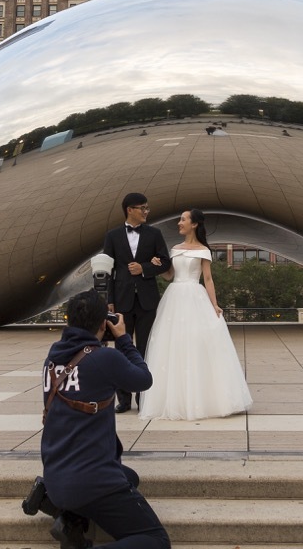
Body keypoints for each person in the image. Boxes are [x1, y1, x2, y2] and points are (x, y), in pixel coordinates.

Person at [37, 290, 170, 549]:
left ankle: (69, 519)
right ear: (103, 323)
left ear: (69, 322)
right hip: (92, 481)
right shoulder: (103, 358)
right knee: (156, 541)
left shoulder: (53, 358)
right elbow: (144, 379)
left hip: (56, 475)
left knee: (129, 476)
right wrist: (122, 339)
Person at [138, 209, 253, 421]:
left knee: (196, 344)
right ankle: (176, 400)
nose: (179, 223)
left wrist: (215, 304)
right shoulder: (174, 249)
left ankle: (204, 399)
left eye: (183, 219)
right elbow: (169, 275)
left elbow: (207, 279)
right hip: (174, 297)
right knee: (173, 345)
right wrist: (158, 267)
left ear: (194, 224)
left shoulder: (203, 251)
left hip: (194, 296)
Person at [102, 192, 171, 413]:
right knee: (122, 349)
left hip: (147, 300)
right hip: (121, 301)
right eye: (142, 208)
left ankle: (144, 398)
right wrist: (109, 301)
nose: (146, 212)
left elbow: (166, 263)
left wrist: (145, 269)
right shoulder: (112, 236)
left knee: (145, 348)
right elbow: (107, 270)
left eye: (147, 208)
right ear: (129, 209)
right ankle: (123, 399)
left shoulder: (154, 234)